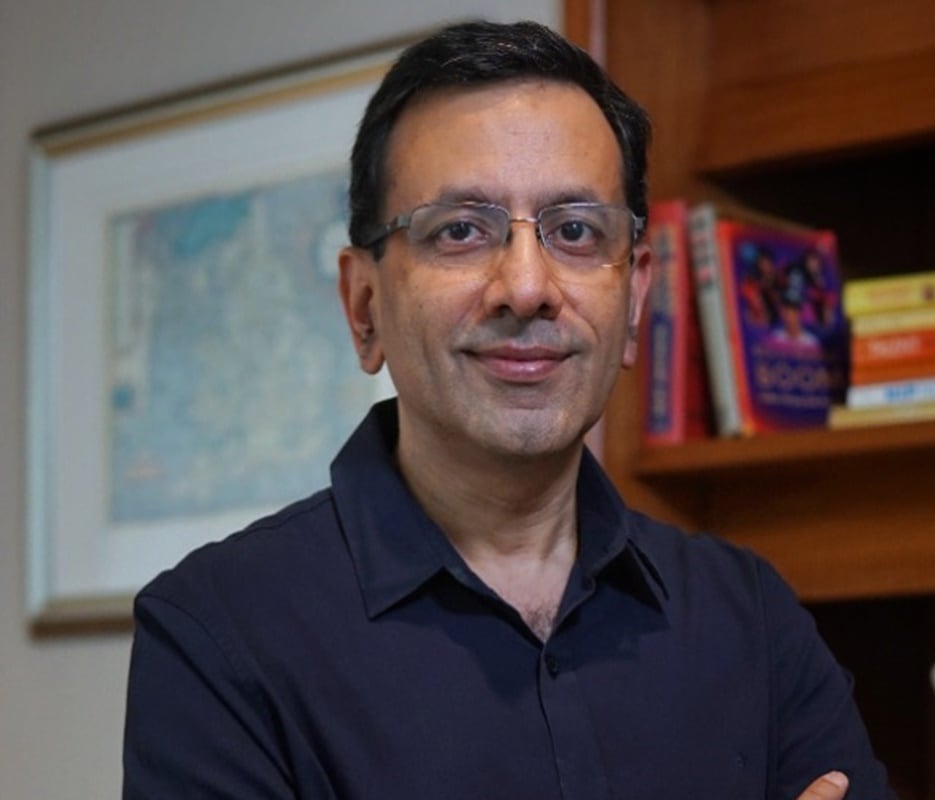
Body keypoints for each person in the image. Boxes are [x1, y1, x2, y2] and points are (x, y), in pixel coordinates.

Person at [122, 20, 895, 800]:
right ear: (364, 306)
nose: (526, 288)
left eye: (575, 231)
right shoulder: (218, 632)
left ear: (633, 301)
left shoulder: (749, 617)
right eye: (461, 231)